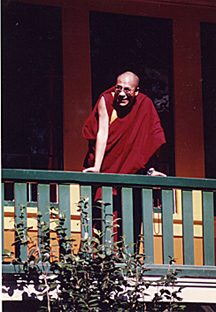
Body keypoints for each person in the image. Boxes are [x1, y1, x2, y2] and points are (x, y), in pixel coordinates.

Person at [82, 71, 166, 176]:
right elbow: (102, 133)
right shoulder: (106, 100)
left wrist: (151, 170)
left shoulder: (145, 104)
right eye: (118, 88)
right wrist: (96, 167)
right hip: (106, 166)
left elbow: (148, 142)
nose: (122, 94)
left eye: (127, 90)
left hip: (132, 172)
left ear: (136, 91)